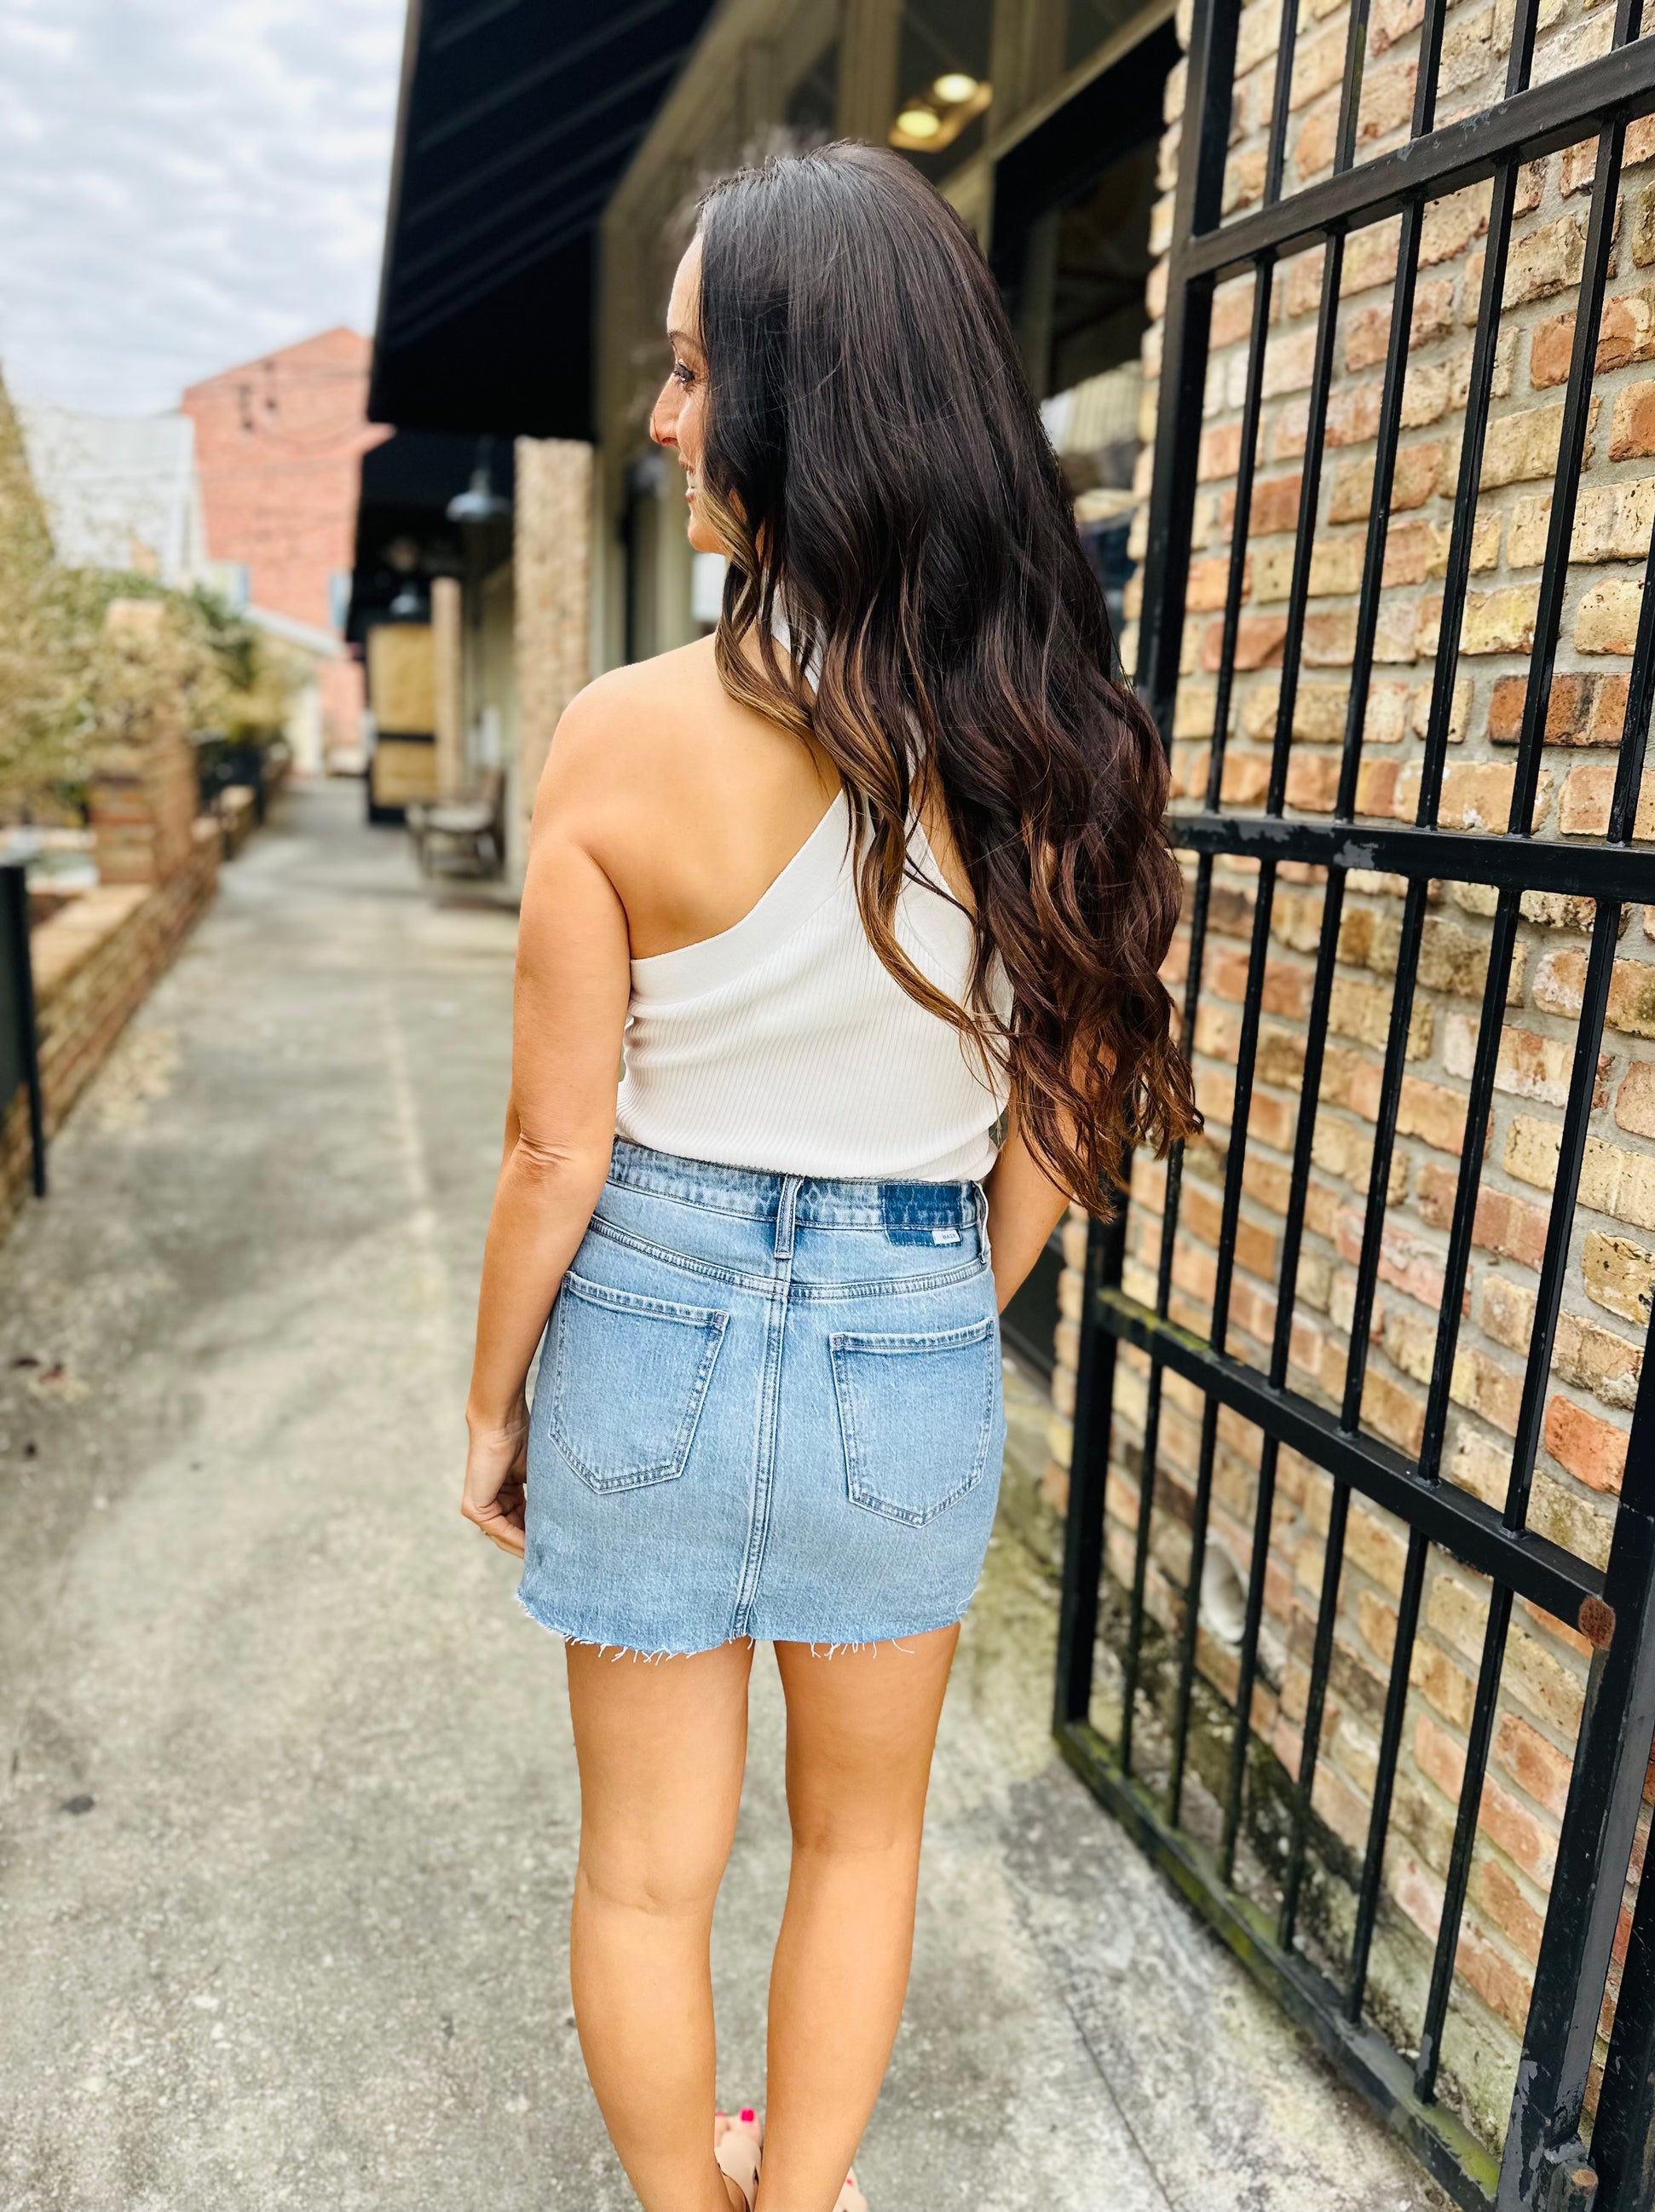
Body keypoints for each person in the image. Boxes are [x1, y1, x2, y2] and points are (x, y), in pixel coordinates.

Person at [460, 141, 1197, 2212]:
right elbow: (1064, 1120)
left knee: (644, 1864)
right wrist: (941, 1302)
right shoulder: (1058, 739)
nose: (661, 415)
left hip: (646, 1318)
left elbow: (554, 1144)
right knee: (863, 1842)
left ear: (812, 397)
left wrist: (496, 1398)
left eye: (695, 369)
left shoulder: (616, 734)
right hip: (909, 1328)